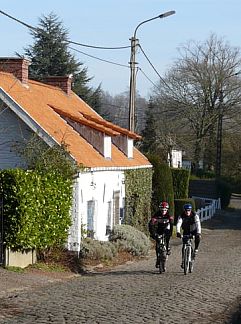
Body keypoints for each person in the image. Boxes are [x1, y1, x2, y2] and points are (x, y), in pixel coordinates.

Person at [148, 201, 174, 268]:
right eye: (162, 210)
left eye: (165, 210)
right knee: (158, 243)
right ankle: (158, 259)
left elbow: (171, 224)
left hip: (166, 228)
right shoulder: (157, 214)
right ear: (160, 209)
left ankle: (167, 247)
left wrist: (170, 233)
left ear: (167, 210)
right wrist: (153, 234)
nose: (163, 211)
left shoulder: (169, 214)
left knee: (167, 235)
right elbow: (151, 224)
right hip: (159, 228)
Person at [176, 203, 201, 268]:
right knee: (184, 245)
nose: (187, 212)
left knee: (198, 237)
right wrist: (178, 232)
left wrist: (198, 232)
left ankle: (196, 249)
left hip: (194, 230)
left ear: (191, 210)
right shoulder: (181, 216)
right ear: (184, 210)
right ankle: (183, 260)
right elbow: (179, 224)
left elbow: (198, 224)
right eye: (186, 210)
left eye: (189, 210)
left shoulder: (195, 215)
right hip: (186, 231)